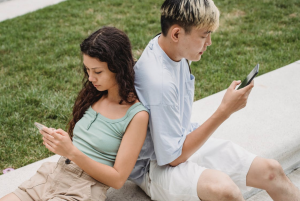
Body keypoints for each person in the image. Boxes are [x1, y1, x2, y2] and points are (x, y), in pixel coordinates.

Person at [129, 0, 300, 201]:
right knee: (225, 191)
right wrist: (224, 111)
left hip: (181, 140)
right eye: (204, 35)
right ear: (176, 34)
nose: (209, 42)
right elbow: (173, 158)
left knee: (272, 171)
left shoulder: (169, 47)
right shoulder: (159, 81)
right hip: (155, 166)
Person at [0, 26, 149, 201]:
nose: (91, 78)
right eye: (87, 70)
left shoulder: (136, 115)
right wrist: (61, 143)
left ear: (118, 67)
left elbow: (117, 180)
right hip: (55, 174)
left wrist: (71, 151)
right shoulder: (95, 95)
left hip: (84, 187)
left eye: (98, 71)